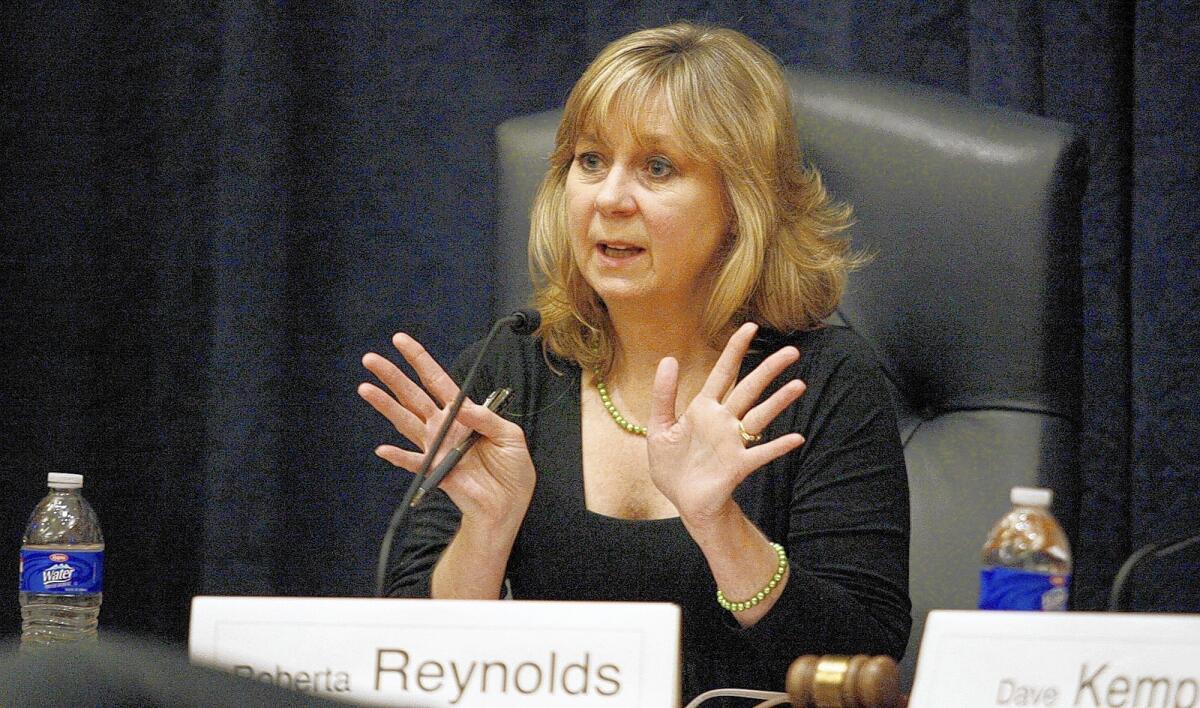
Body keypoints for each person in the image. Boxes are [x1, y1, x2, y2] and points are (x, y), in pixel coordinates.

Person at [358, 22, 910, 703]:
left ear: (741, 205)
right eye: (591, 161)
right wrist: (487, 530)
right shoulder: (512, 370)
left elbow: (863, 665)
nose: (609, 198)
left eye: (658, 168)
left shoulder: (819, 380)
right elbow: (408, 660)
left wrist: (722, 528)